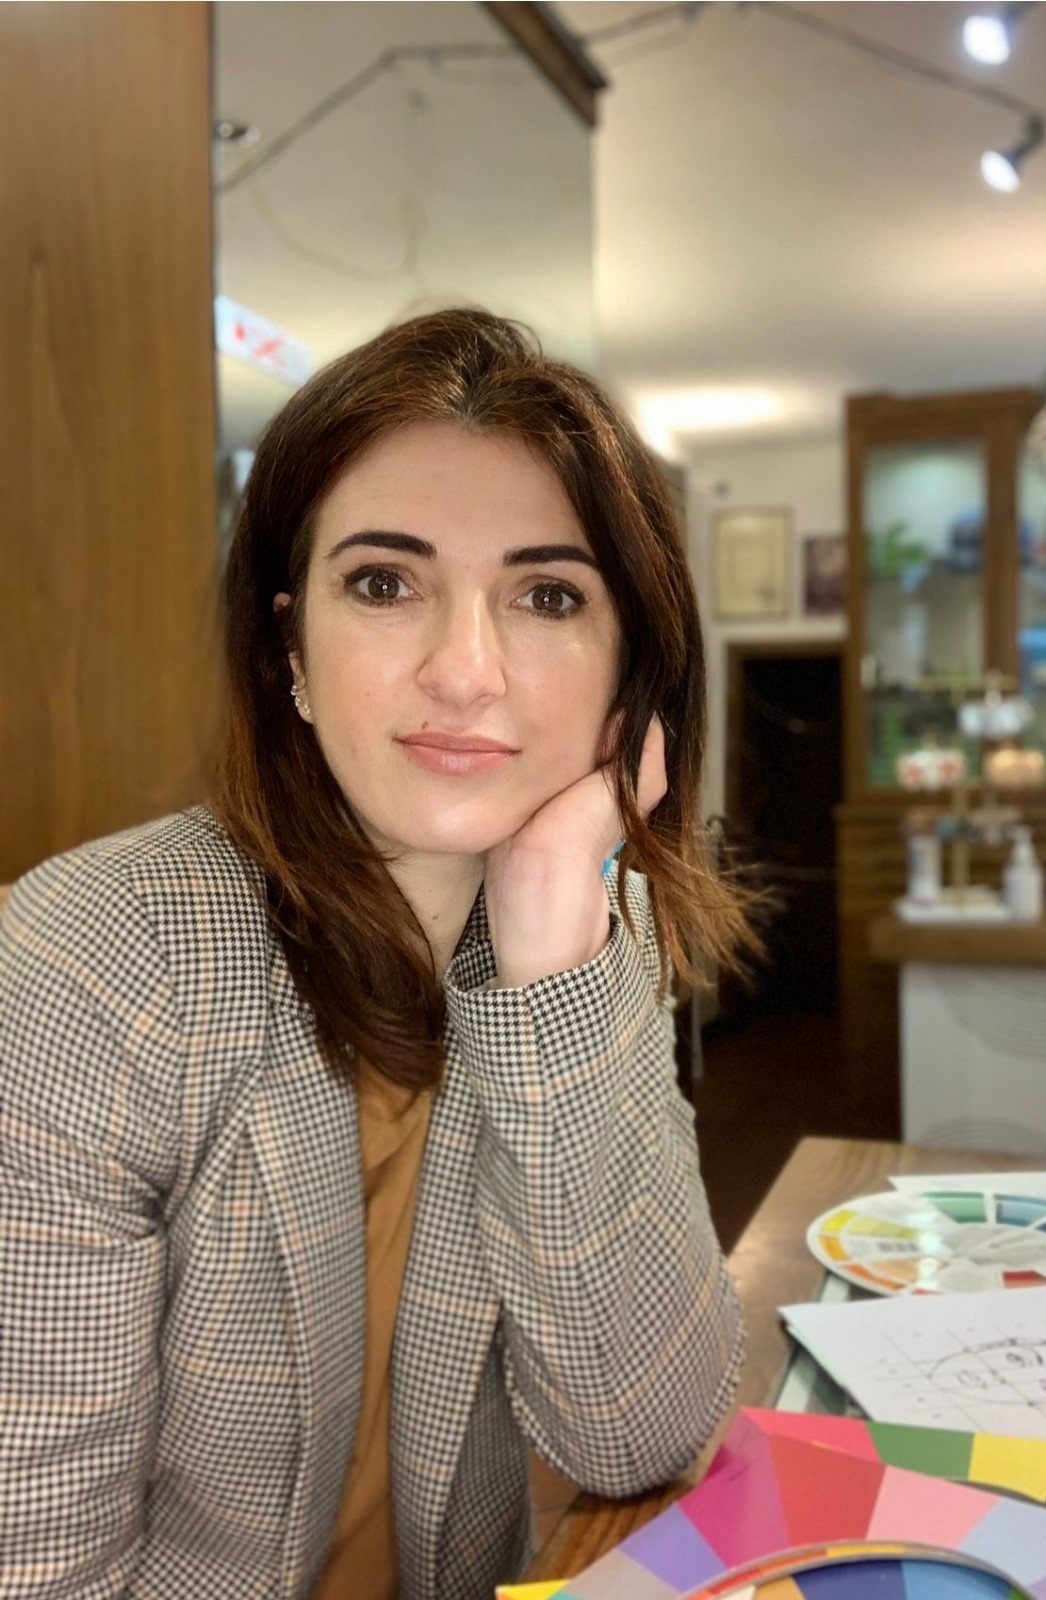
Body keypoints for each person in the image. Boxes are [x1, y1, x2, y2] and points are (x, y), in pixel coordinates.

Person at [0, 308, 762, 1600]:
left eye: (548, 596)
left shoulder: (586, 936)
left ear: (628, 677)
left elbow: (643, 1430)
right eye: (383, 583)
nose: (464, 672)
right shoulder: (94, 961)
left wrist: (549, 933)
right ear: (287, 648)